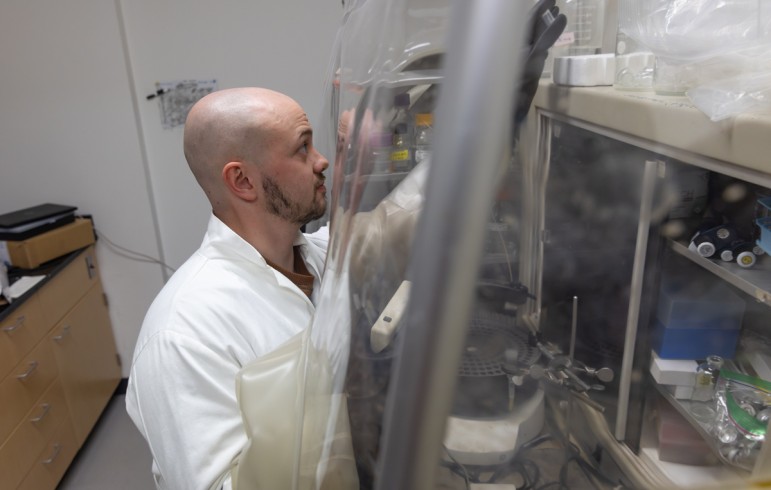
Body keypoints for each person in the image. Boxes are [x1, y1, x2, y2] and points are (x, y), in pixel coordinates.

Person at [125, 87, 332, 490]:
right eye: (302, 148)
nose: (321, 160)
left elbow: (385, 227)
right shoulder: (184, 332)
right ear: (242, 180)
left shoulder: (317, 256)